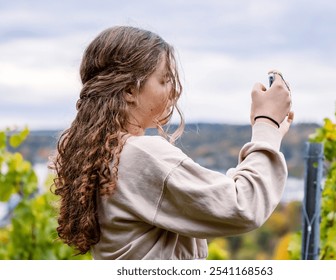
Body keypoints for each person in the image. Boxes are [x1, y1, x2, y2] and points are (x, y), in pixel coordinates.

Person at [52, 25, 294, 260]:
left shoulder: (105, 156)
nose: (174, 91)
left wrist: (269, 134)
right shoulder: (141, 154)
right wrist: (266, 125)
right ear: (128, 90)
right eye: (164, 80)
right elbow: (243, 206)